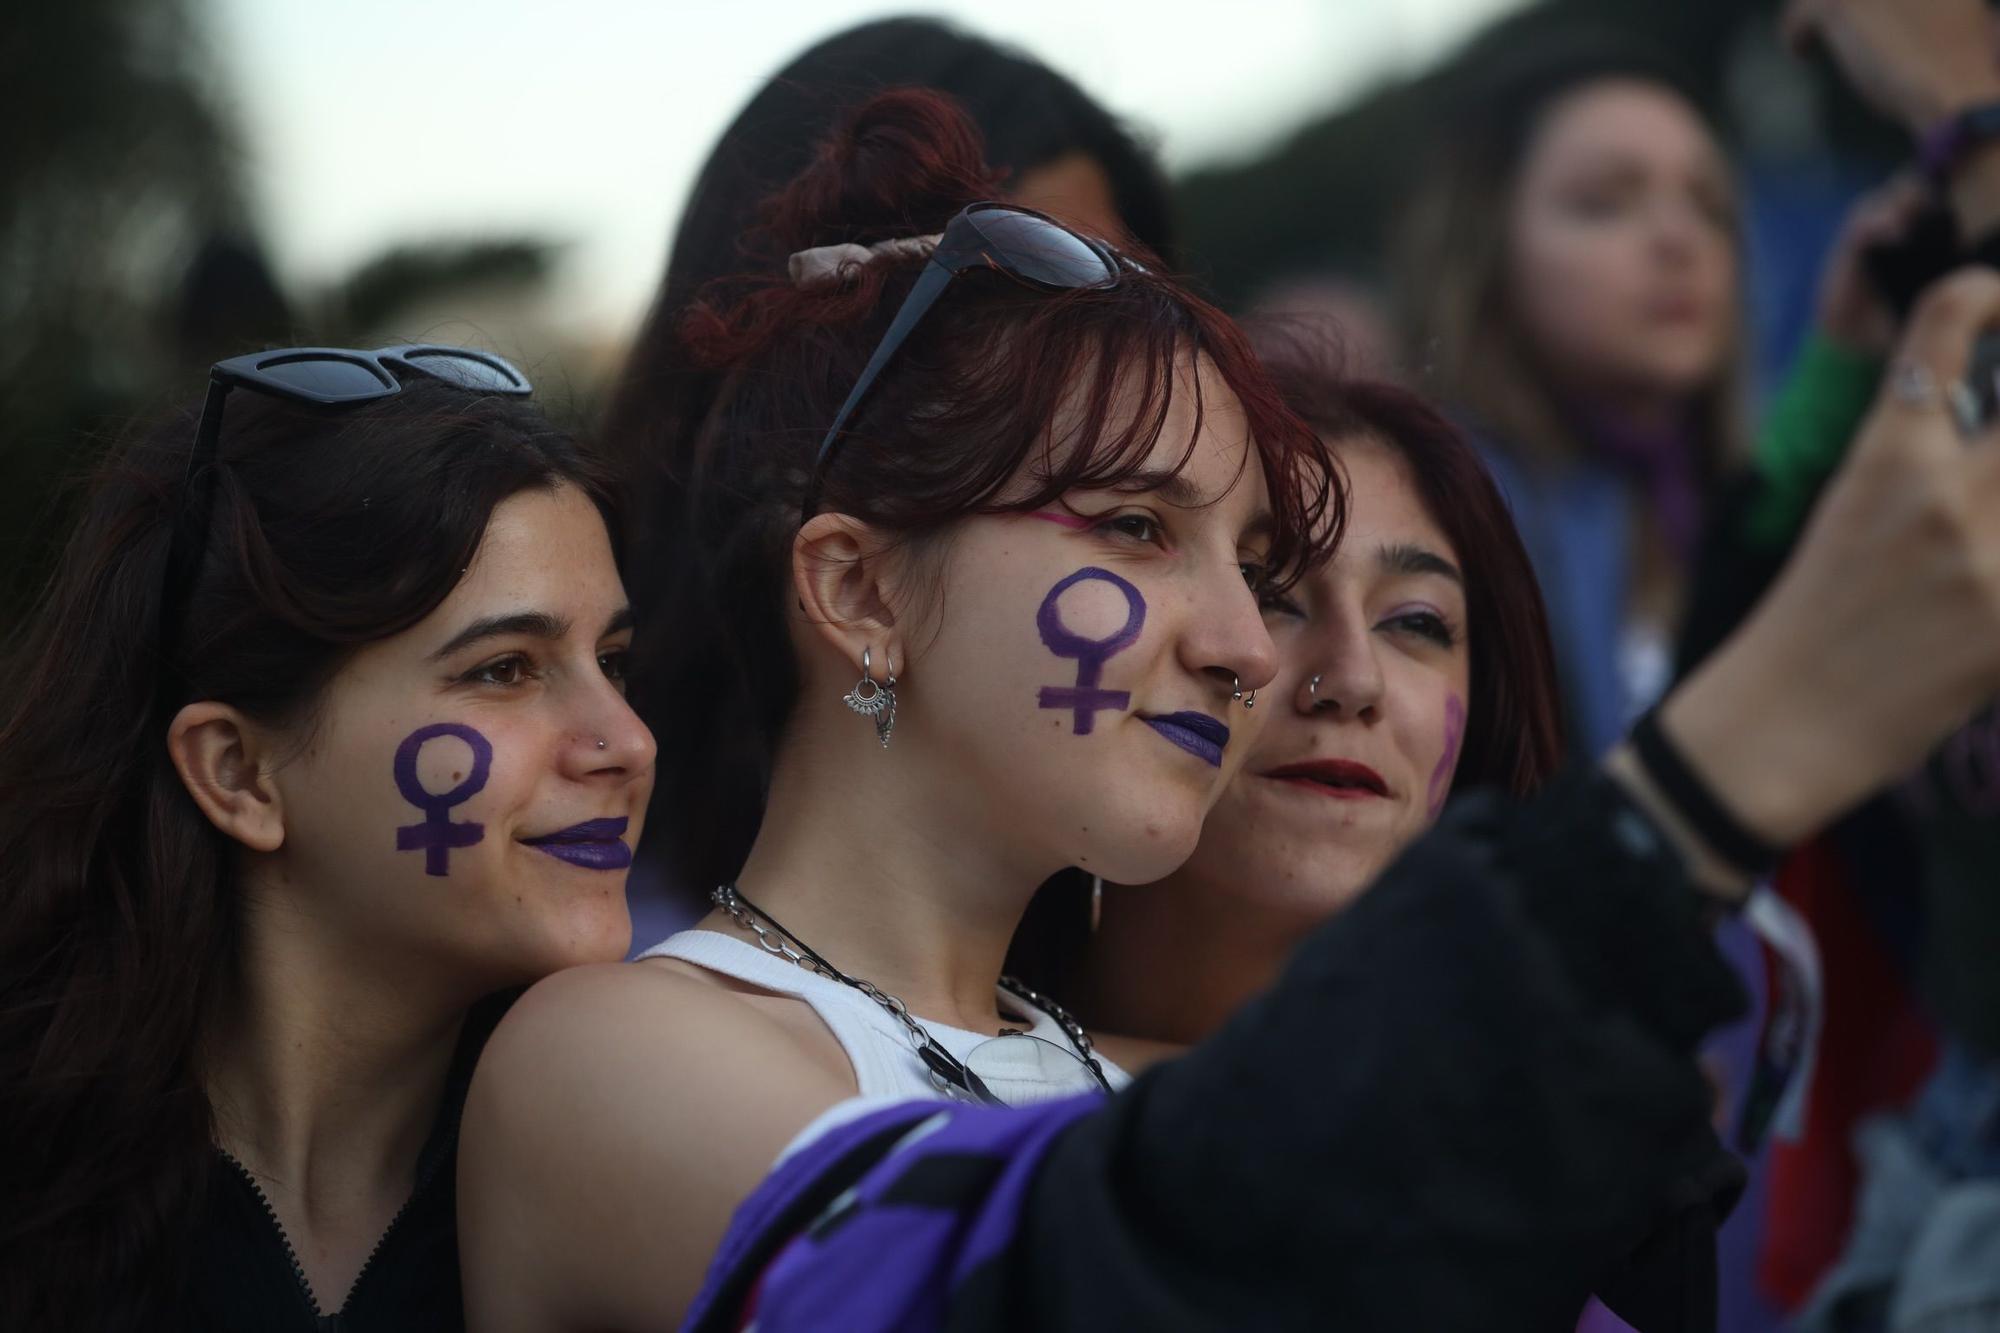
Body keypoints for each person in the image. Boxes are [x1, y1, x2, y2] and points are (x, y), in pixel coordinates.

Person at [462, 90, 2000, 1332]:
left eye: (1248, 561)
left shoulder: (1176, 1086)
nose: (1245, 648)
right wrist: (1733, 764)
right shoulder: (606, 1062)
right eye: (1135, 530)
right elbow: (1063, 1279)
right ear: (859, 591)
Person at [0, 346, 656, 1331]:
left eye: (611, 660)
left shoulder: (650, 1177)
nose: (626, 744)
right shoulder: (32, 1195)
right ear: (236, 770)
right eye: (503, 670)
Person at [599, 17, 1175, 919]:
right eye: (1036, 286)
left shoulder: (1171, 827)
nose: (1104, 362)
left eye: (1130, 295)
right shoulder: (587, 903)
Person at [1059, 366, 1564, 1044]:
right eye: (1268, 593)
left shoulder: (1548, 1125)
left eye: (1415, 622)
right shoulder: (906, 1081)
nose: (1353, 679)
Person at [1400, 34, 1747, 760]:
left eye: (1709, 205)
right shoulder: (1444, 515)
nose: (1679, 238)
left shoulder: (1741, 496)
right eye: (1604, 204)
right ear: (1487, 249)